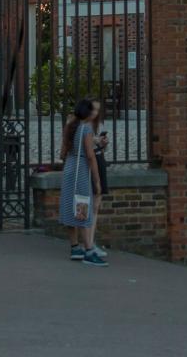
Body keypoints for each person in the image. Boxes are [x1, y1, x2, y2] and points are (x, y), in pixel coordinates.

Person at [59, 98, 107, 266]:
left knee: (69, 206)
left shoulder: (70, 126)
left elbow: (62, 153)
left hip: (69, 168)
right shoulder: (86, 128)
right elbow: (90, 155)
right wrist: (97, 180)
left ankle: (75, 247)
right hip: (81, 170)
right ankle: (88, 250)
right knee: (83, 208)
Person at [89, 99, 110, 257]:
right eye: (93, 110)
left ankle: (91, 241)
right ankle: (85, 243)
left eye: (97, 110)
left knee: (96, 203)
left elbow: (101, 148)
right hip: (86, 163)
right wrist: (92, 141)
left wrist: (103, 143)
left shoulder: (99, 124)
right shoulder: (80, 126)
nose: (95, 113)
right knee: (84, 203)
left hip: (99, 159)